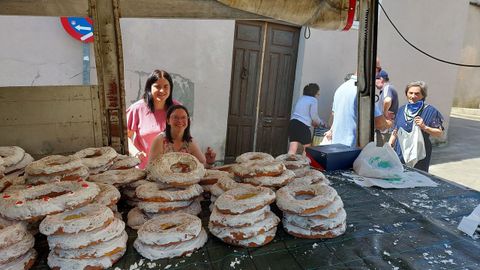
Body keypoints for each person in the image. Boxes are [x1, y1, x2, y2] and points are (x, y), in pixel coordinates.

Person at [126, 69, 181, 169]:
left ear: (171, 88)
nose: (162, 90)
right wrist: (135, 153)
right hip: (144, 169)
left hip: (172, 168)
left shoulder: (178, 108)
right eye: (157, 86)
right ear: (149, 88)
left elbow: (185, 136)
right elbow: (126, 136)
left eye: (166, 86)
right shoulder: (137, 109)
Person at [324, 73, 393, 147]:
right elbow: (380, 124)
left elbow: (333, 118)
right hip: (354, 148)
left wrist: (332, 130)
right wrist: (389, 123)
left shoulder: (340, 89)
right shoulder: (362, 91)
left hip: (337, 145)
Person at [388, 81, 444, 172]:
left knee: (417, 178)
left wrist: (424, 127)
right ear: (406, 94)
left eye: (417, 94)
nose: (413, 96)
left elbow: (439, 133)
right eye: (410, 93)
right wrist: (390, 144)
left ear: (423, 95)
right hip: (400, 152)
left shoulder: (431, 111)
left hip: (419, 155)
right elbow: (396, 130)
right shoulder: (402, 110)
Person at [149, 104, 216, 167]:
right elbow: (152, 167)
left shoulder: (190, 142)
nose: (180, 121)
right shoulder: (160, 140)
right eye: (175, 117)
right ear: (168, 120)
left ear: (188, 121)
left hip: (186, 179)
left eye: (183, 117)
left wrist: (209, 162)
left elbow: (202, 166)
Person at [287, 83, 324, 155]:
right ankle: (305, 165)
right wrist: (321, 123)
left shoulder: (301, 98)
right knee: (306, 150)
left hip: (293, 123)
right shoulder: (313, 100)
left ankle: (288, 165)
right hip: (302, 126)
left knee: (292, 149)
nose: (318, 95)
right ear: (314, 92)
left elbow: (303, 114)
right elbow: (314, 116)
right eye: (318, 93)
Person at [374, 70, 399, 145]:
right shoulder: (385, 90)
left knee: (383, 153)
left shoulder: (387, 87)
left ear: (381, 79)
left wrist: (385, 114)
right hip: (385, 129)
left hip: (386, 130)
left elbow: (387, 100)